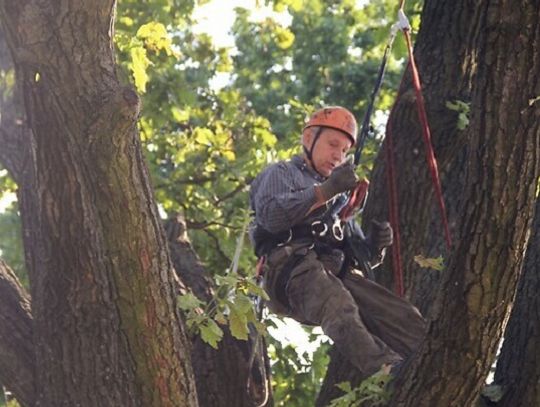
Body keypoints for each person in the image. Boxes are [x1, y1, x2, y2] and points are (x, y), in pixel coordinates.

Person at [249, 106, 426, 378]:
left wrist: (375, 246)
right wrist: (325, 191)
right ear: (309, 139)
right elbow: (272, 216)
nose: (338, 155)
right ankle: (387, 372)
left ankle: (435, 362)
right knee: (338, 305)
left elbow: (354, 249)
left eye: (344, 151)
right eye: (332, 144)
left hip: (333, 272)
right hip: (291, 269)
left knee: (401, 315)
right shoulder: (282, 174)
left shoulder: (339, 196)